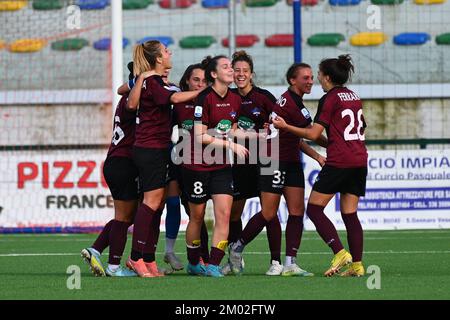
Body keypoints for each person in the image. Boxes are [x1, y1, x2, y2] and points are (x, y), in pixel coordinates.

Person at [272, 54, 367, 277]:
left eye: (319, 75)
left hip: (340, 161)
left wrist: (286, 127)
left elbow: (313, 133)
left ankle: (340, 252)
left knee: (314, 208)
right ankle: (357, 266)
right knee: (350, 214)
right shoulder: (353, 96)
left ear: (327, 77)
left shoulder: (331, 98)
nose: (317, 81)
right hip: (359, 159)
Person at [228, 62, 327, 276]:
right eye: (306, 78)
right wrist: (337, 144)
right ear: (293, 80)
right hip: (272, 159)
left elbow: (298, 137)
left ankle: (290, 263)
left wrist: (318, 155)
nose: (311, 81)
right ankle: (237, 247)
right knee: (268, 212)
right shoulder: (292, 103)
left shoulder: (285, 100)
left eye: (312, 77)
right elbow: (312, 133)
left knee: (296, 211)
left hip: (291, 161)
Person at [125, 40, 202, 277]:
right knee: (150, 202)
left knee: (156, 204)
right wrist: (207, 91)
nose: (170, 54)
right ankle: (135, 257)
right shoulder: (153, 82)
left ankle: (148, 260)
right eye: (166, 52)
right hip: (150, 149)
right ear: (158, 59)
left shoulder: (155, 82)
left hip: (157, 148)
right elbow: (176, 99)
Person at [180, 55, 248, 277]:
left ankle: (213, 265)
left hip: (220, 166)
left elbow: (233, 129)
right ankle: (193, 262)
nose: (232, 70)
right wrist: (230, 145)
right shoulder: (204, 98)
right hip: (197, 165)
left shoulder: (236, 99)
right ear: (214, 74)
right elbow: (200, 136)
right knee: (197, 217)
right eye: (226, 67)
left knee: (224, 214)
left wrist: (260, 134)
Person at [222, 50, 284, 276]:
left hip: (267, 159)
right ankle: (235, 259)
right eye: (236, 70)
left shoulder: (263, 97)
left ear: (251, 74)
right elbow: (226, 129)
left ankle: (276, 261)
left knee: (270, 212)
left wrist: (271, 127)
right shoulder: (227, 98)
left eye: (244, 71)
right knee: (233, 213)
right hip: (240, 161)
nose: (240, 75)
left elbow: (279, 121)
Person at [81, 63, 142, 277]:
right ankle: (114, 267)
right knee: (124, 218)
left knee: (129, 216)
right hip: (123, 162)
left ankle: (95, 249)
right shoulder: (133, 101)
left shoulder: (126, 98)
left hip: (117, 162)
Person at [164, 63, 210, 271]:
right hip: (178, 162)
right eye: (196, 80)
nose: (200, 84)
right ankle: (169, 251)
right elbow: (164, 128)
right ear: (187, 81)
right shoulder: (179, 103)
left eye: (204, 81)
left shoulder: (211, 102)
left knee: (196, 214)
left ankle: (203, 259)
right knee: (172, 204)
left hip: (203, 164)